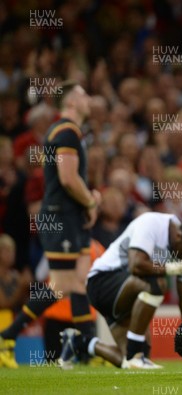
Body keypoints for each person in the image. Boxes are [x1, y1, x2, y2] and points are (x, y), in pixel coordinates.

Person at [0, 81, 102, 369]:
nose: (89, 99)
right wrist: (91, 203)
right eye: (83, 94)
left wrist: (88, 198)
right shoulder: (66, 131)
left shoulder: (71, 132)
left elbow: (69, 180)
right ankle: (7, 336)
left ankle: (87, 348)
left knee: (78, 280)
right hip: (61, 217)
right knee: (64, 284)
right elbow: (68, 179)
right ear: (70, 102)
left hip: (70, 216)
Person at [59, 212, 182, 369]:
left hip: (127, 296)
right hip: (102, 282)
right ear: (179, 235)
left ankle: (78, 342)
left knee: (138, 355)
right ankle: (133, 355)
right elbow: (136, 264)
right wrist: (180, 268)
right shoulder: (152, 223)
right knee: (156, 284)